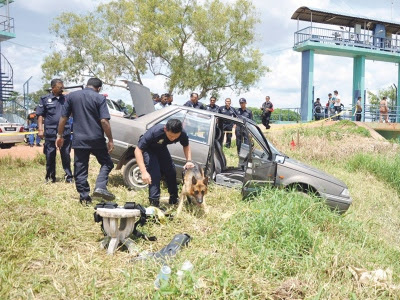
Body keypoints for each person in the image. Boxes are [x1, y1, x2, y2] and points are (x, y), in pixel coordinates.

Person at [56, 78, 115, 205]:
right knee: (107, 163)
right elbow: (104, 121)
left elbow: (63, 118)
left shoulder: (72, 96)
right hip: (96, 139)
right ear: (99, 88)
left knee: (80, 168)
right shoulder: (99, 98)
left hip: (80, 139)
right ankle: (100, 186)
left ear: (87, 85)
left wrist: (59, 135)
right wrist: (110, 139)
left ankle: (84, 198)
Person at [134, 119, 194, 207]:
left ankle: (174, 199)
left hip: (161, 148)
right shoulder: (155, 132)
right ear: (165, 129)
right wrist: (143, 172)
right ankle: (154, 203)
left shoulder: (182, 133)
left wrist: (189, 161)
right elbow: (138, 150)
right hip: (148, 149)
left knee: (171, 171)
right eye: (170, 136)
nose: (173, 138)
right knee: (155, 173)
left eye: (175, 137)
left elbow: (186, 145)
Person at [37, 79, 73, 183]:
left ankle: (69, 177)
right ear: (53, 88)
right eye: (59, 87)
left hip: (65, 132)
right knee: (50, 155)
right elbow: (40, 115)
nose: (62, 88)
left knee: (66, 154)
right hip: (50, 132)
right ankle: (50, 177)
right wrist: (40, 129)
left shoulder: (66, 99)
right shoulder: (44, 99)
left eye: (62, 87)